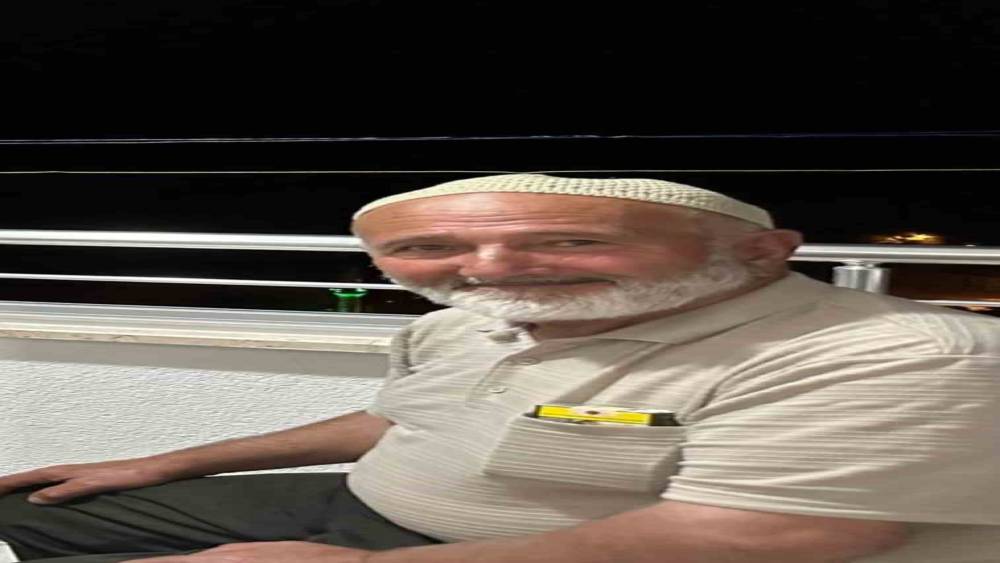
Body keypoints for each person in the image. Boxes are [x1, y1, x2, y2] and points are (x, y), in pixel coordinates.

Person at [1, 174, 997, 563]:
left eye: (568, 241)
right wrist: (164, 461)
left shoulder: (893, 355)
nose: (489, 267)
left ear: (763, 252)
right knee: (24, 508)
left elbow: (769, 534)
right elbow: (394, 420)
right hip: (366, 504)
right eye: (427, 249)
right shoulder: (482, 320)